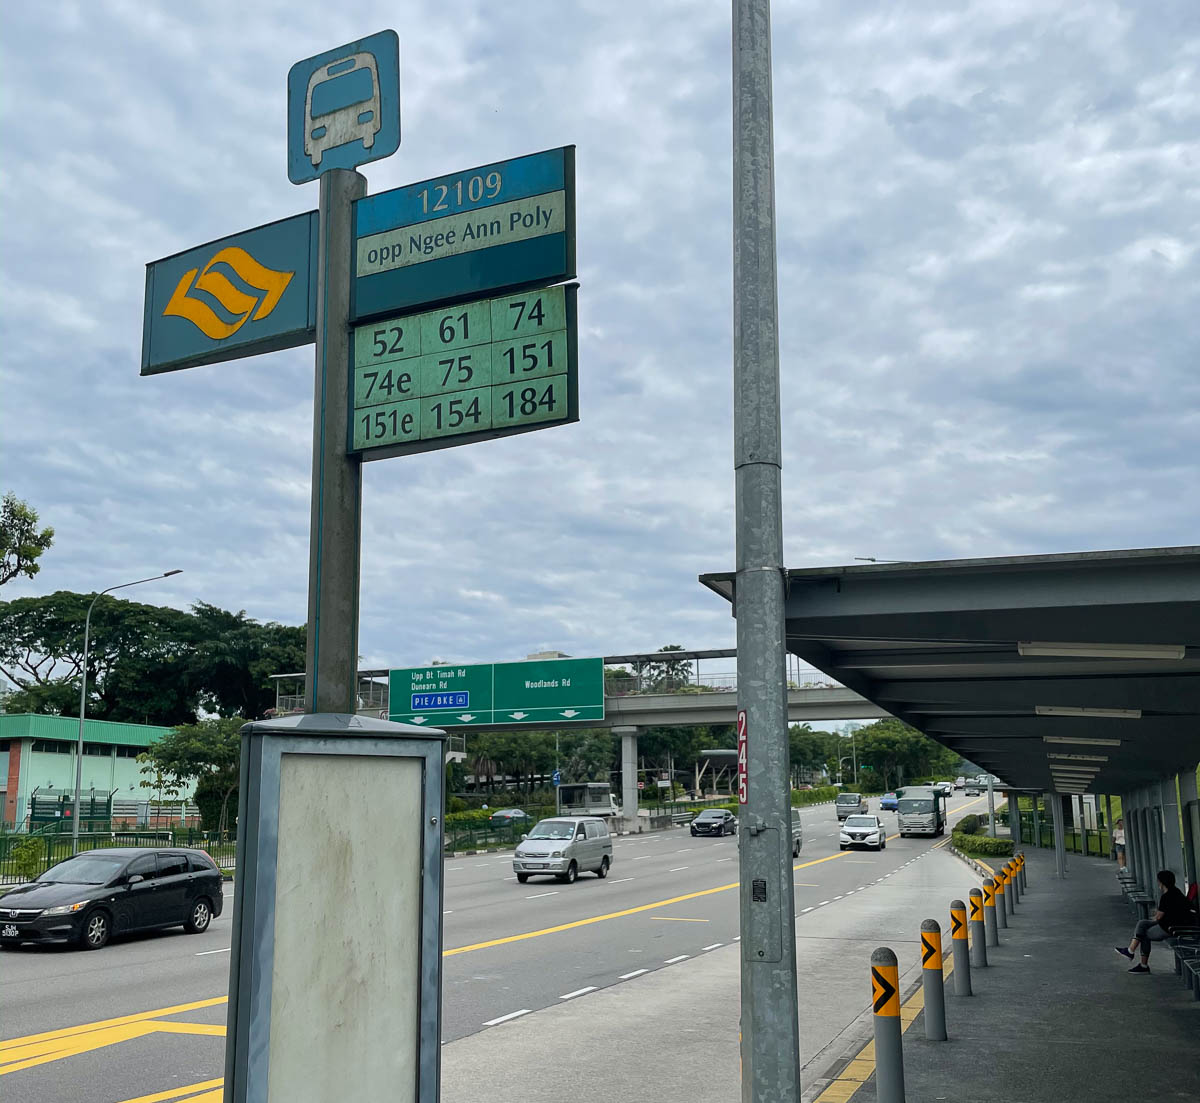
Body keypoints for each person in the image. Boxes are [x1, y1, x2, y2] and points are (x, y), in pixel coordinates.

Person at [1115, 869, 1191, 973]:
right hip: (1174, 923)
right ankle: (1130, 951)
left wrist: (1155, 916)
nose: (1158, 883)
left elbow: (1158, 917)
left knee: (1144, 934)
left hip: (1171, 927)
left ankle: (1142, 964)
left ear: (1162, 882)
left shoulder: (1166, 896)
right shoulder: (1176, 891)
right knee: (1142, 923)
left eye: (1158, 881)